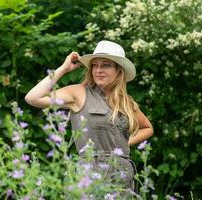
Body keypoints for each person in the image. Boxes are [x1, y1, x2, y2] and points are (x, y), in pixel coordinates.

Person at [25, 40, 153, 193]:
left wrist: (122, 146)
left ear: (119, 71)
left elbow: (147, 128)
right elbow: (32, 98)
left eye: (105, 65)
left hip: (122, 178)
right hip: (90, 175)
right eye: (95, 65)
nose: (98, 70)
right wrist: (63, 69)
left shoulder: (126, 103)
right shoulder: (79, 93)